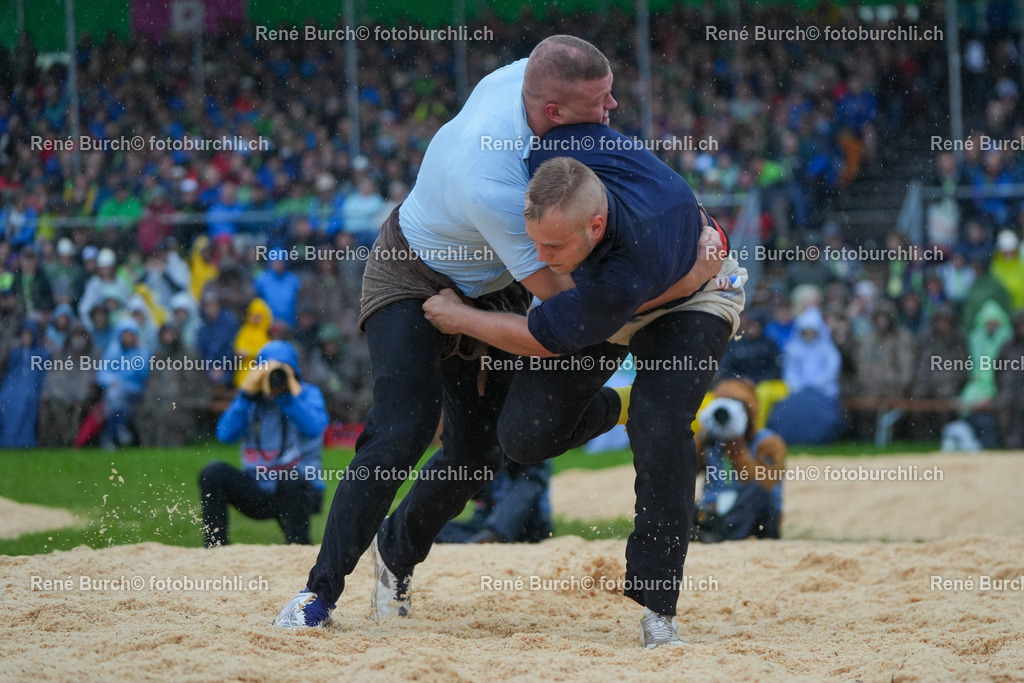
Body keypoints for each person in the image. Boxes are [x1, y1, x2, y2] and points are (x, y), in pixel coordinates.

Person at [272, 35, 712, 638]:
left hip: (493, 284)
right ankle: (317, 594)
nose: (613, 111)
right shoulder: (498, 186)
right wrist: (689, 273)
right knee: (401, 430)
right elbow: (568, 302)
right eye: (601, 101)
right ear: (553, 112)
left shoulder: (526, 76)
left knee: (477, 456)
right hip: (415, 274)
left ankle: (394, 555)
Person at [421, 142, 741, 648]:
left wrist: (459, 318)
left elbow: (542, 337)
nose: (539, 259)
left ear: (594, 227)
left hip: (695, 294)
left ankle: (659, 608)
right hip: (618, 294)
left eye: (552, 249)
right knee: (524, 436)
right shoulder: (559, 150)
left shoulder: (636, 244)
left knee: (660, 428)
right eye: (535, 244)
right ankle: (627, 406)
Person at [200, 341, 328, 547]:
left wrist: (287, 398)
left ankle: (298, 548)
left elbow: (315, 428)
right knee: (213, 473)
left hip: (299, 489)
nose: (273, 379)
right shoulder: (250, 401)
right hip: (258, 488)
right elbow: (224, 435)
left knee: (291, 479)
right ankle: (216, 548)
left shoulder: (307, 394)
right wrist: (245, 397)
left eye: (279, 372)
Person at [692, 379, 786, 542]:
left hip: (758, 519)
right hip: (715, 515)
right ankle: (713, 530)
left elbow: (766, 483)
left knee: (756, 491)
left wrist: (738, 451)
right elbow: (680, 474)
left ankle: (722, 534)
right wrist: (699, 442)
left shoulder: (768, 442)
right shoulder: (710, 441)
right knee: (679, 501)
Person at [435, 459, 553, 544]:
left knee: (523, 491)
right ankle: (484, 538)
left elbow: (525, 493)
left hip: (526, 528)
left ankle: (491, 537)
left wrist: (496, 531)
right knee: (432, 528)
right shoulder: (487, 452)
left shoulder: (530, 451)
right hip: (484, 521)